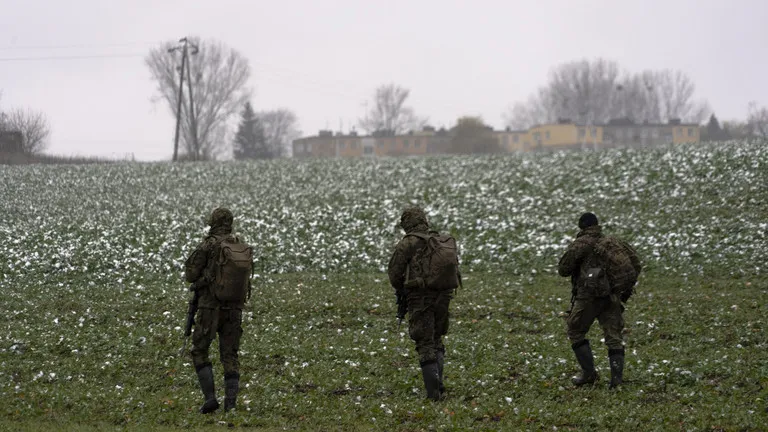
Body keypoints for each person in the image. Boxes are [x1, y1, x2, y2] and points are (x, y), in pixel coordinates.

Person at [558, 212, 639, 389]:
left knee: (575, 330)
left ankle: (588, 374)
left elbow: (563, 269)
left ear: (582, 226)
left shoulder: (581, 244)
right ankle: (616, 382)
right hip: (612, 296)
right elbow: (635, 263)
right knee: (614, 337)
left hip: (588, 297)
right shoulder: (613, 242)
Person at [387, 206, 461, 401]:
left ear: (407, 224)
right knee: (437, 339)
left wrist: (404, 289)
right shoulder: (440, 240)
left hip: (420, 299)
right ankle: (439, 387)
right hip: (443, 297)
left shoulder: (408, 243)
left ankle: (434, 393)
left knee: (425, 342)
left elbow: (394, 274)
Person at [184, 207, 253, 413]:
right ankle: (230, 404)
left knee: (199, 350)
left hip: (209, 308)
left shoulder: (208, 245)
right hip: (234, 309)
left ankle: (210, 398)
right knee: (230, 355)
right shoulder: (238, 245)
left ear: (213, 221)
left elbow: (190, 274)